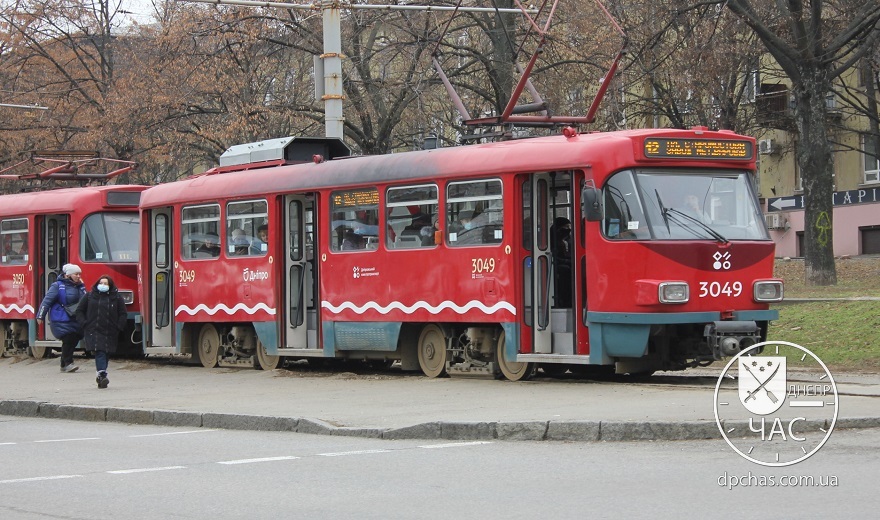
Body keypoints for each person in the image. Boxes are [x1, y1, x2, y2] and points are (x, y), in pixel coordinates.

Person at [76, 275, 127, 389]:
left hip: (110, 331)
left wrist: (119, 327)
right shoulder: (89, 296)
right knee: (100, 351)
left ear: (110, 286)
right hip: (93, 330)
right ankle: (102, 374)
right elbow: (79, 311)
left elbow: (123, 314)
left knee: (106, 352)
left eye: (106, 283)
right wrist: (84, 323)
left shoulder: (117, 298)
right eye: (101, 283)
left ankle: (100, 375)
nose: (103, 285)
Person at [36, 263, 86, 372]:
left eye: (79, 274)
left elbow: (84, 300)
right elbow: (47, 301)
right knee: (69, 338)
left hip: (74, 318)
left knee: (74, 339)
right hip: (60, 319)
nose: (79, 276)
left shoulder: (80, 286)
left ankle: (64, 364)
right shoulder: (57, 286)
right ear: (68, 275)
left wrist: (82, 287)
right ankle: (67, 363)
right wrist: (40, 315)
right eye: (76, 274)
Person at [550, 217, 572, 307]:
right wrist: (567, 261)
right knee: (566, 270)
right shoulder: (553, 239)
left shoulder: (563, 239)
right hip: (553, 264)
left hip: (560, 261)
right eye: (566, 227)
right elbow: (554, 256)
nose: (568, 230)